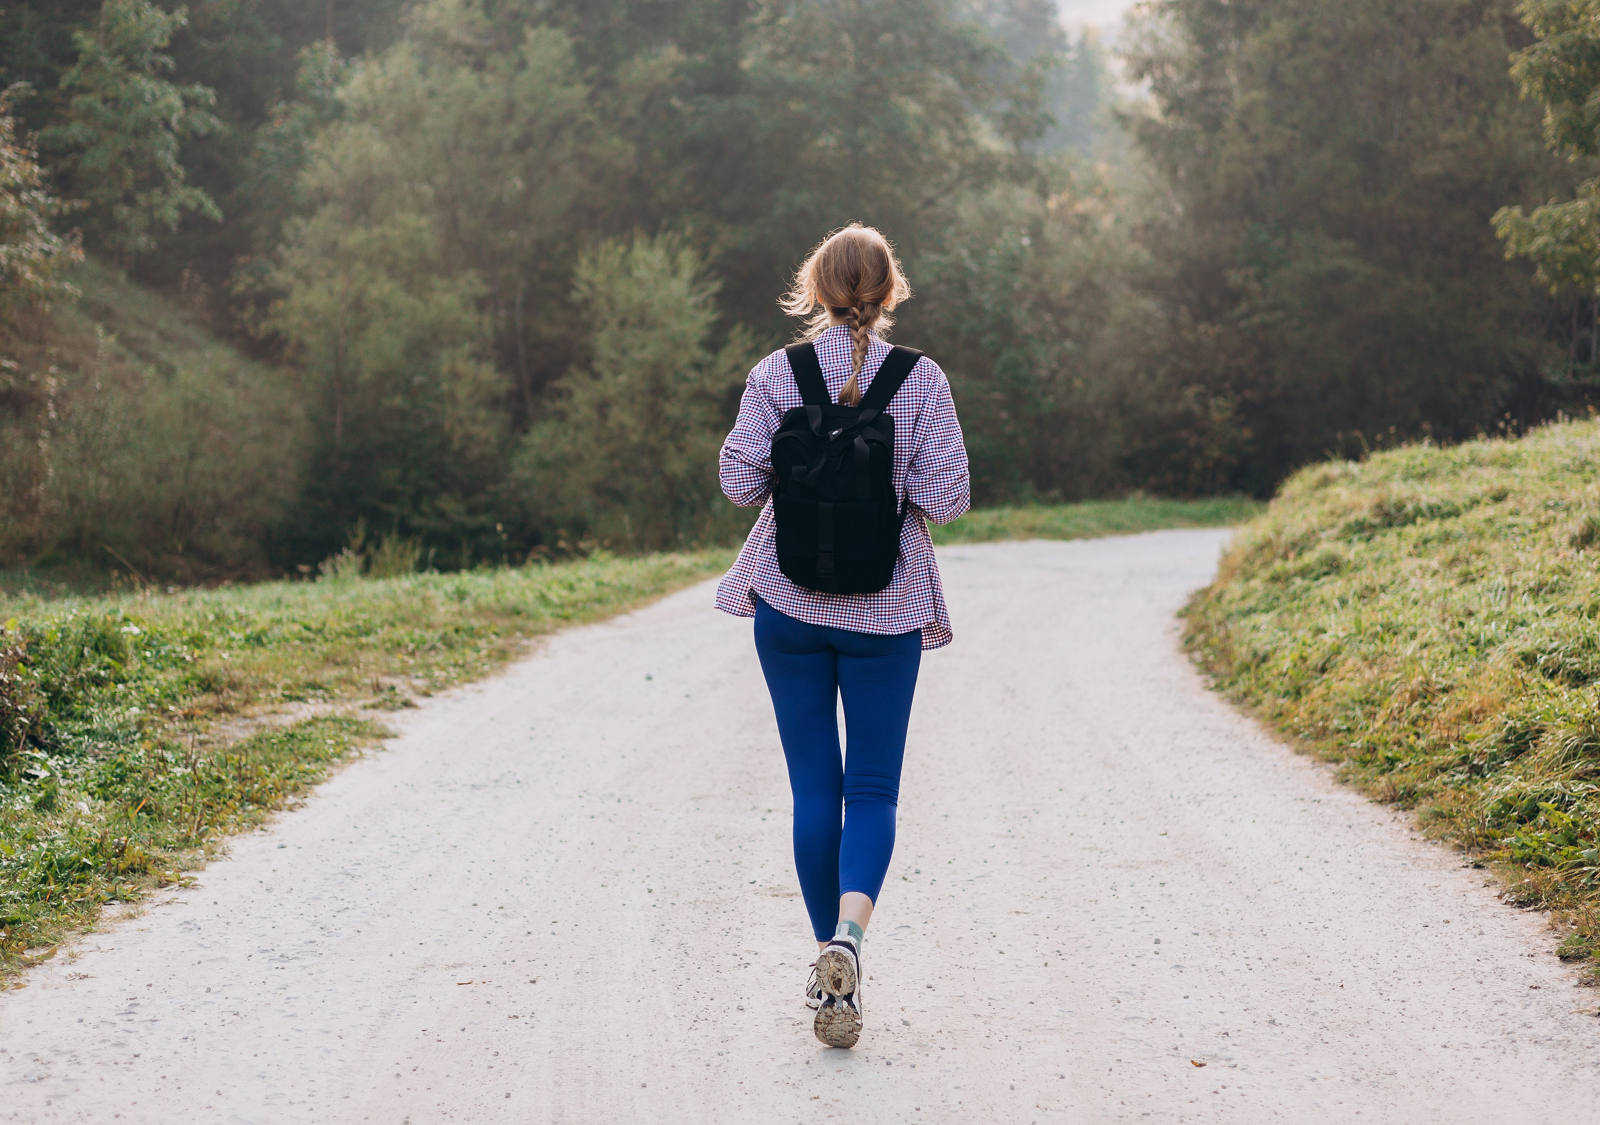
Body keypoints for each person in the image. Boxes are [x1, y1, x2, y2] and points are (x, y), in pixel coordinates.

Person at [715, 223, 971, 1048]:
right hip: (887, 609)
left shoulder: (774, 375)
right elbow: (950, 496)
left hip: (787, 608)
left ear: (814, 289)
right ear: (890, 290)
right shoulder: (921, 382)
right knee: (873, 791)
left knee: (813, 792)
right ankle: (850, 940)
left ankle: (828, 965)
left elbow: (736, 480)